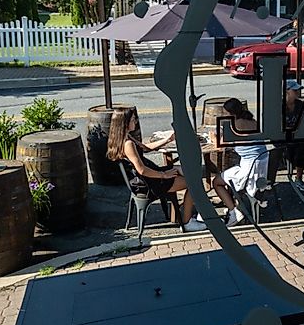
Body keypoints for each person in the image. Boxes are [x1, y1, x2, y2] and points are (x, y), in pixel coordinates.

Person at [105, 109, 207, 232]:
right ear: (125, 123)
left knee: (186, 171)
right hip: (149, 183)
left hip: (147, 176)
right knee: (194, 184)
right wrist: (164, 175)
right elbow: (142, 170)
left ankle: (199, 208)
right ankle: (187, 222)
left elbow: (146, 148)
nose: (135, 122)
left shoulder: (125, 138)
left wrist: (167, 140)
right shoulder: (128, 145)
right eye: (133, 119)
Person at [211, 98, 269, 227]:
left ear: (231, 113)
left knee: (217, 182)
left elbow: (219, 146)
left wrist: (214, 137)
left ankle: (234, 212)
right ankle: (236, 205)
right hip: (261, 163)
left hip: (249, 167)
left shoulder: (235, 125)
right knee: (231, 174)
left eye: (225, 113)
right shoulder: (253, 121)